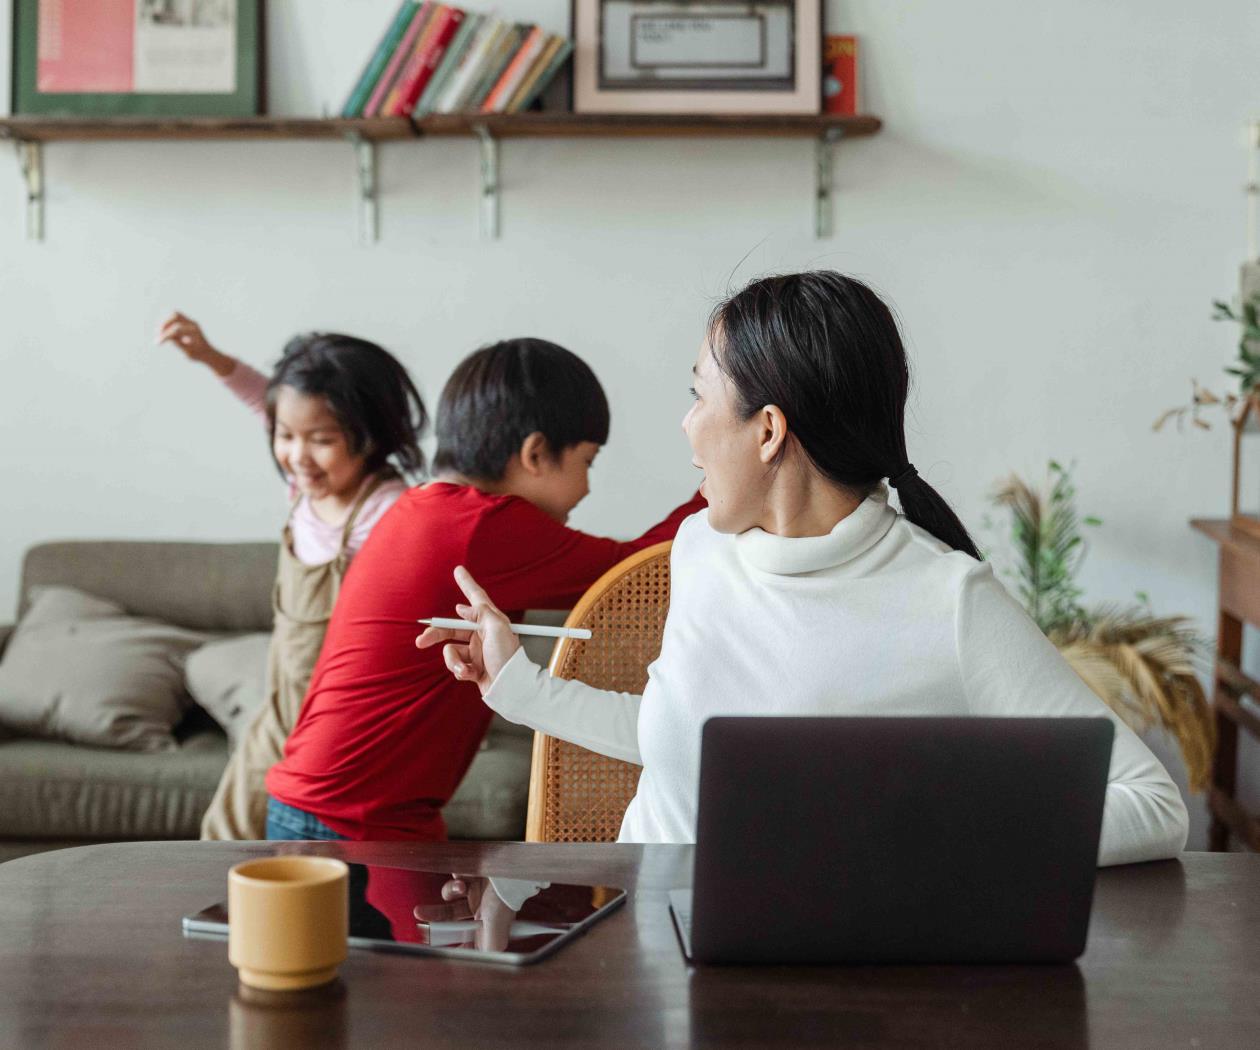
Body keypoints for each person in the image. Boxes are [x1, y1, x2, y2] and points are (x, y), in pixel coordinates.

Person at [419, 272, 1190, 867]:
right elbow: (680, 741)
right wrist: (516, 686)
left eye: (697, 395)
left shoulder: (949, 600)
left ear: (767, 431)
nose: (687, 426)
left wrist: (928, 830)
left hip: (823, 976)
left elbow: (1152, 805)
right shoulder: (701, 550)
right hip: (646, 950)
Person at [263, 338, 705, 842]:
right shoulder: (479, 527)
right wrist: (719, 478)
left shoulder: (427, 508)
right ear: (535, 453)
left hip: (332, 807)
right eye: (588, 462)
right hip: (348, 821)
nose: (586, 488)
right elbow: (633, 577)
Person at [156, 312, 428, 840]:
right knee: (225, 831)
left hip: (333, 721)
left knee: (285, 845)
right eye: (285, 436)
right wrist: (213, 359)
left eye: (321, 440)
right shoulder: (307, 488)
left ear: (371, 434)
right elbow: (268, 401)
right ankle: (222, 920)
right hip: (279, 702)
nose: (297, 455)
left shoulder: (386, 512)